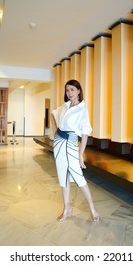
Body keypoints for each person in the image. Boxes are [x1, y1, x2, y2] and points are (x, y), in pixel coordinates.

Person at [51, 79, 99, 222]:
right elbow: (53, 114)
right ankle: (67, 208)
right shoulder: (65, 106)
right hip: (59, 145)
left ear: (78, 91)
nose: (69, 93)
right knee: (63, 178)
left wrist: (80, 154)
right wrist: (55, 133)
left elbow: (85, 133)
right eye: (67, 90)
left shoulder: (82, 109)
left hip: (70, 145)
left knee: (78, 177)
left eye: (72, 89)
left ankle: (92, 209)